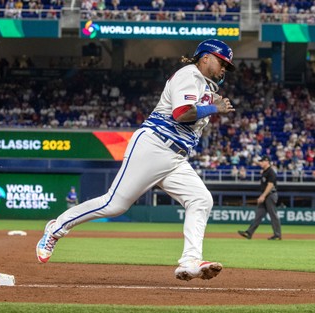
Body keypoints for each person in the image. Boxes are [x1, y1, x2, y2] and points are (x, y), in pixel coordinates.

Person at [36, 39, 236, 281]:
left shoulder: (206, 86)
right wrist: (213, 109)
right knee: (114, 205)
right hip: (154, 145)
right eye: (222, 61)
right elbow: (181, 113)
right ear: (205, 57)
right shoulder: (190, 74)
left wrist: (211, 105)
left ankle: (189, 261)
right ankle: (56, 228)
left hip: (175, 157)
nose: (225, 67)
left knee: (201, 199)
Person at [238, 156, 282, 240]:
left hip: (270, 195)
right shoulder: (265, 171)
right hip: (266, 196)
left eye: (262, 161)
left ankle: (277, 235)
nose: (260, 163)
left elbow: (270, 185)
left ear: (267, 162)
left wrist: (263, 196)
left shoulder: (271, 172)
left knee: (273, 214)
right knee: (258, 215)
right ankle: (249, 233)